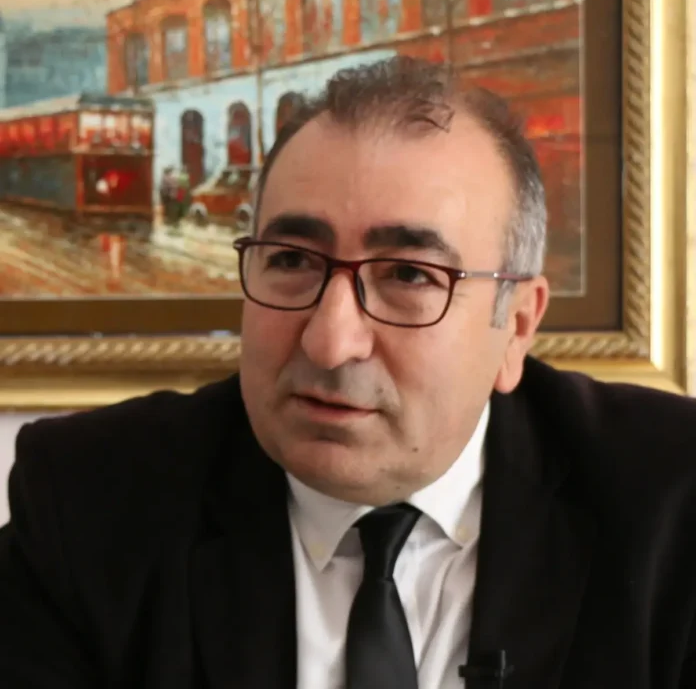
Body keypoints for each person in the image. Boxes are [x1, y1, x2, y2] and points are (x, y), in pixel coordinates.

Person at [1, 56, 695, 689]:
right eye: (292, 261)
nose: (331, 342)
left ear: (515, 326)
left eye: (408, 275)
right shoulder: (88, 504)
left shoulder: (673, 502)